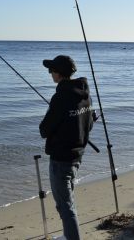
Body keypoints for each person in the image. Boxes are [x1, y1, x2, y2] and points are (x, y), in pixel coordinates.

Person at [39, 55, 94, 240]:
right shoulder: (85, 93)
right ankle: (68, 235)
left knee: (65, 206)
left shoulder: (60, 97)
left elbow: (44, 130)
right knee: (67, 202)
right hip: (77, 156)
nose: (50, 74)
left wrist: (51, 112)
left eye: (51, 70)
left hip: (61, 160)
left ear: (58, 73)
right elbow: (89, 123)